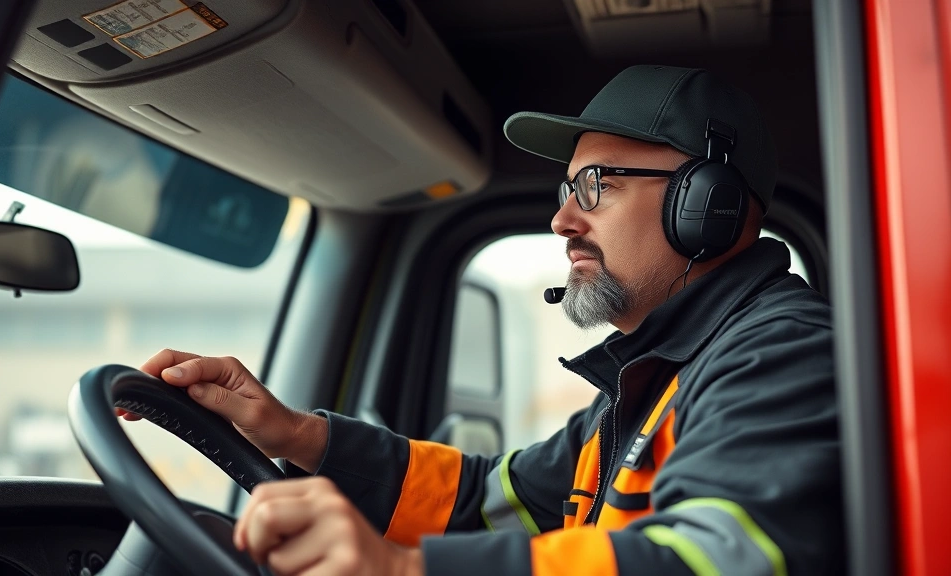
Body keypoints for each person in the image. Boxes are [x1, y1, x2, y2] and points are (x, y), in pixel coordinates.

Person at [123, 65, 843, 575]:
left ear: (706, 205)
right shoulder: (649, 382)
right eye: (567, 190)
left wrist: (406, 572)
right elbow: (488, 501)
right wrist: (299, 435)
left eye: (597, 185)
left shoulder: (780, 355)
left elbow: (718, 561)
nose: (562, 219)